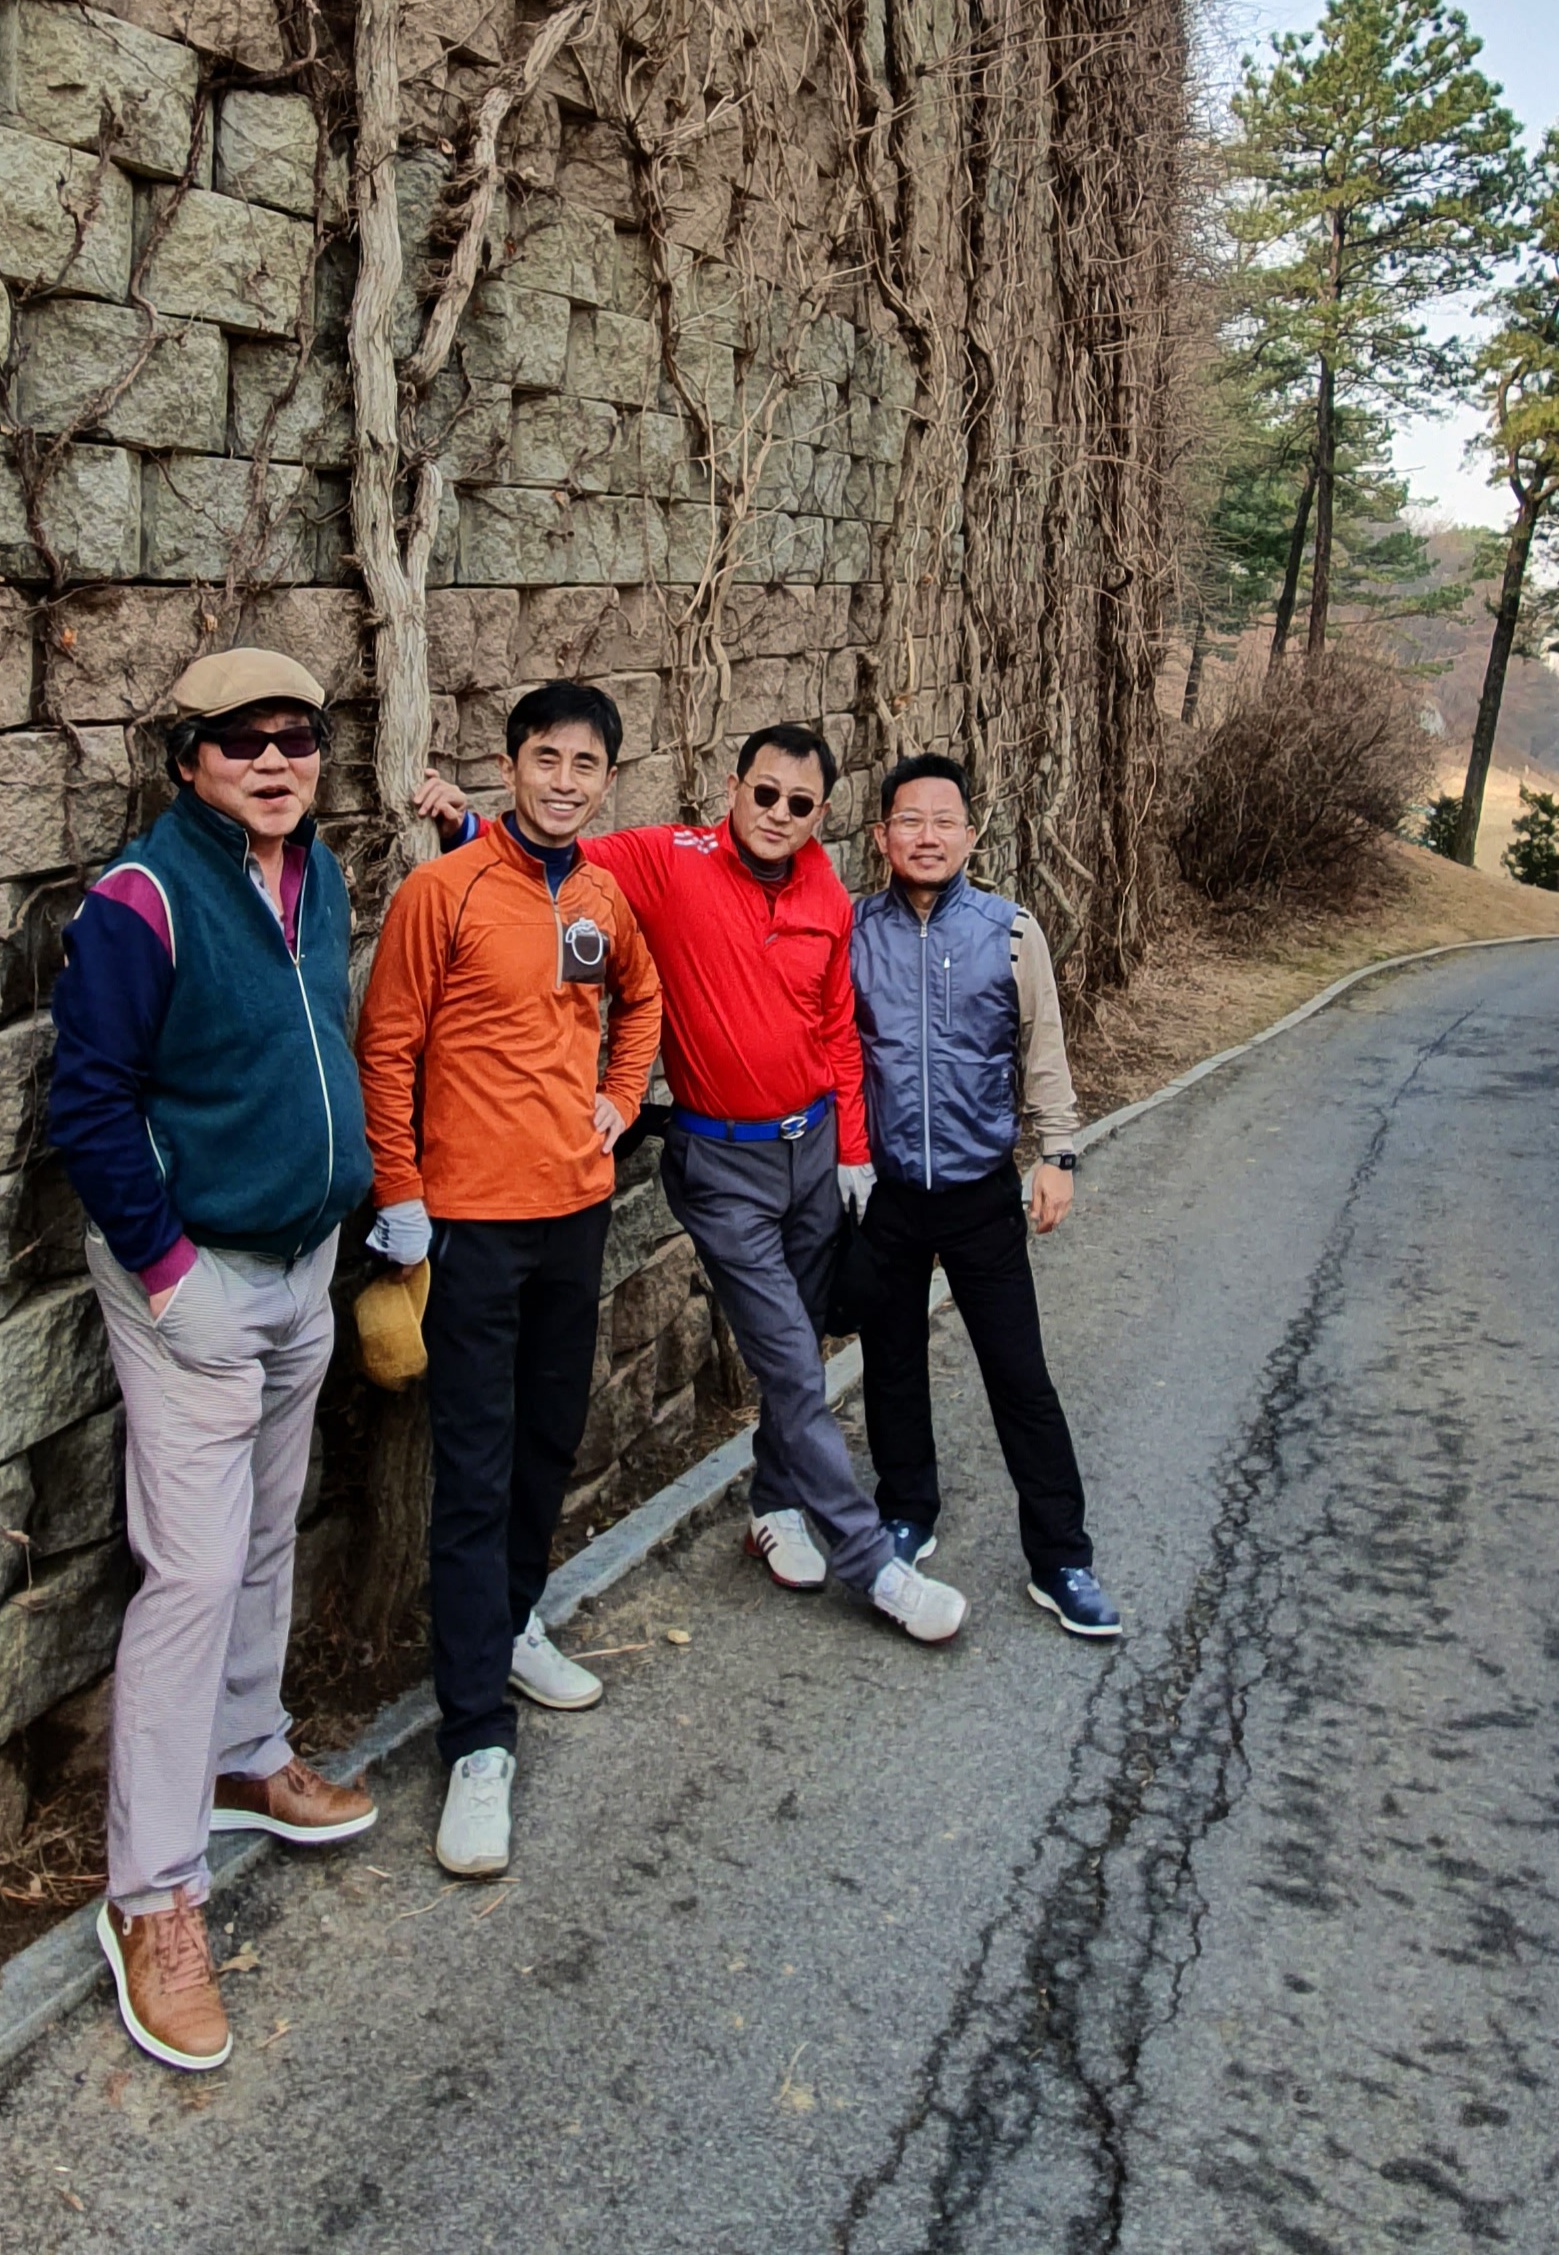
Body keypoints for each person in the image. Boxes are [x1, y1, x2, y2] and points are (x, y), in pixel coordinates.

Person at [415, 726, 968, 1646]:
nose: (778, 814)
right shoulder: (670, 859)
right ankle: (873, 1562)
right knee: (789, 1360)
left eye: (799, 804)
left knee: (801, 1340)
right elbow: (557, 853)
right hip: (723, 1166)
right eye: (765, 793)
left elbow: (837, 1027)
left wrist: (852, 1151)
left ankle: (775, 1502)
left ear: (822, 814)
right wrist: (466, 824)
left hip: (811, 1152)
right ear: (733, 785)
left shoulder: (826, 892)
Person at [47, 649, 379, 2076]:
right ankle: (153, 1895)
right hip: (193, 1278)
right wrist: (169, 1270)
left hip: (302, 1263)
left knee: (266, 1525)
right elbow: (90, 1100)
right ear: (189, 758)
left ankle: (248, 1748)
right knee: (188, 1572)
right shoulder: (146, 895)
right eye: (243, 739)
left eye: (297, 735)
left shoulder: (321, 878)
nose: (276, 758)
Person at [360, 682, 662, 1883]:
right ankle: (476, 1738)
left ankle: (516, 1616)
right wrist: (399, 1192)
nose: (565, 781)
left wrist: (622, 1098)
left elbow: (641, 998)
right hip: (469, 1224)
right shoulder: (443, 892)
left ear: (606, 780)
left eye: (586, 765)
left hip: (575, 1211)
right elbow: (387, 1044)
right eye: (547, 758)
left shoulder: (602, 898)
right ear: (511, 762)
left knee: (549, 1438)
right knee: (476, 1471)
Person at [848, 753, 1122, 1642]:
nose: (925, 836)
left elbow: (1043, 1048)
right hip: (889, 1193)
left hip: (980, 1193)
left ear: (971, 834)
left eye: (943, 821)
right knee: (891, 1364)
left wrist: (1058, 1152)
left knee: (1019, 1374)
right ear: (882, 834)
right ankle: (906, 1510)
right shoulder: (854, 931)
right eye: (909, 820)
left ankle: (1061, 1557)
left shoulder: (1010, 932)